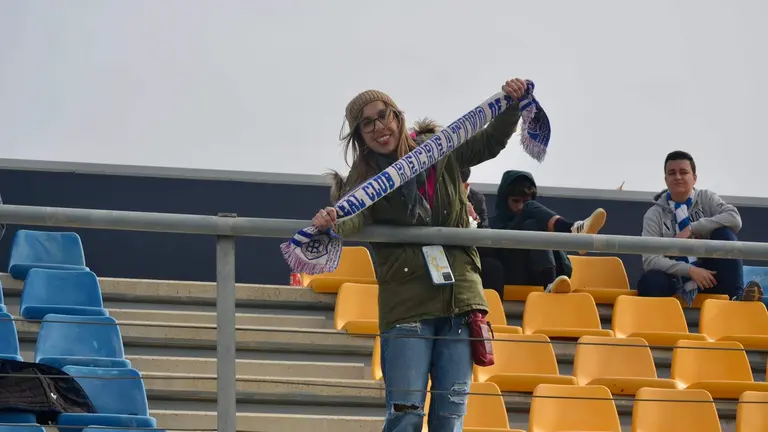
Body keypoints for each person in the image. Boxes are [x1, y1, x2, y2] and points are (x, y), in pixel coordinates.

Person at [311, 78, 528, 432]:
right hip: (407, 305)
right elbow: (352, 216)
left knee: (450, 418)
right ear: (359, 135)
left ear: (398, 116)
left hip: (460, 302)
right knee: (406, 416)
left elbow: (489, 142)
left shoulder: (438, 147)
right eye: (368, 123)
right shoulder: (364, 178)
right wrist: (332, 220)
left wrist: (513, 106)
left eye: (384, 116)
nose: (380, 128)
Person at [639, 150, 763, 303]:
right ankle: (662, 322)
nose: (677, 177)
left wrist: (692, 229)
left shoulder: (706, 198)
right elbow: (650, 260)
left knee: (724, 234)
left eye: (683, 172)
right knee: (649, 281)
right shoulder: (654, 214)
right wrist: (690, 270)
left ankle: (736, 298)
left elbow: (734, 218)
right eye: (672, 173)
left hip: (710, 276)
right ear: (666, 179)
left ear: (694, 178)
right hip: (675, 279)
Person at [484, 170, 607, 295]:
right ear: (504, 201)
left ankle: (550, 283)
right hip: (511, 274)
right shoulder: (491, 224)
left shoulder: (538, 222)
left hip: (537, 275)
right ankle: (572, 230)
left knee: (532, 223)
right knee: (530, 214)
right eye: (515, 201)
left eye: (525, 201)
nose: (520, 206)